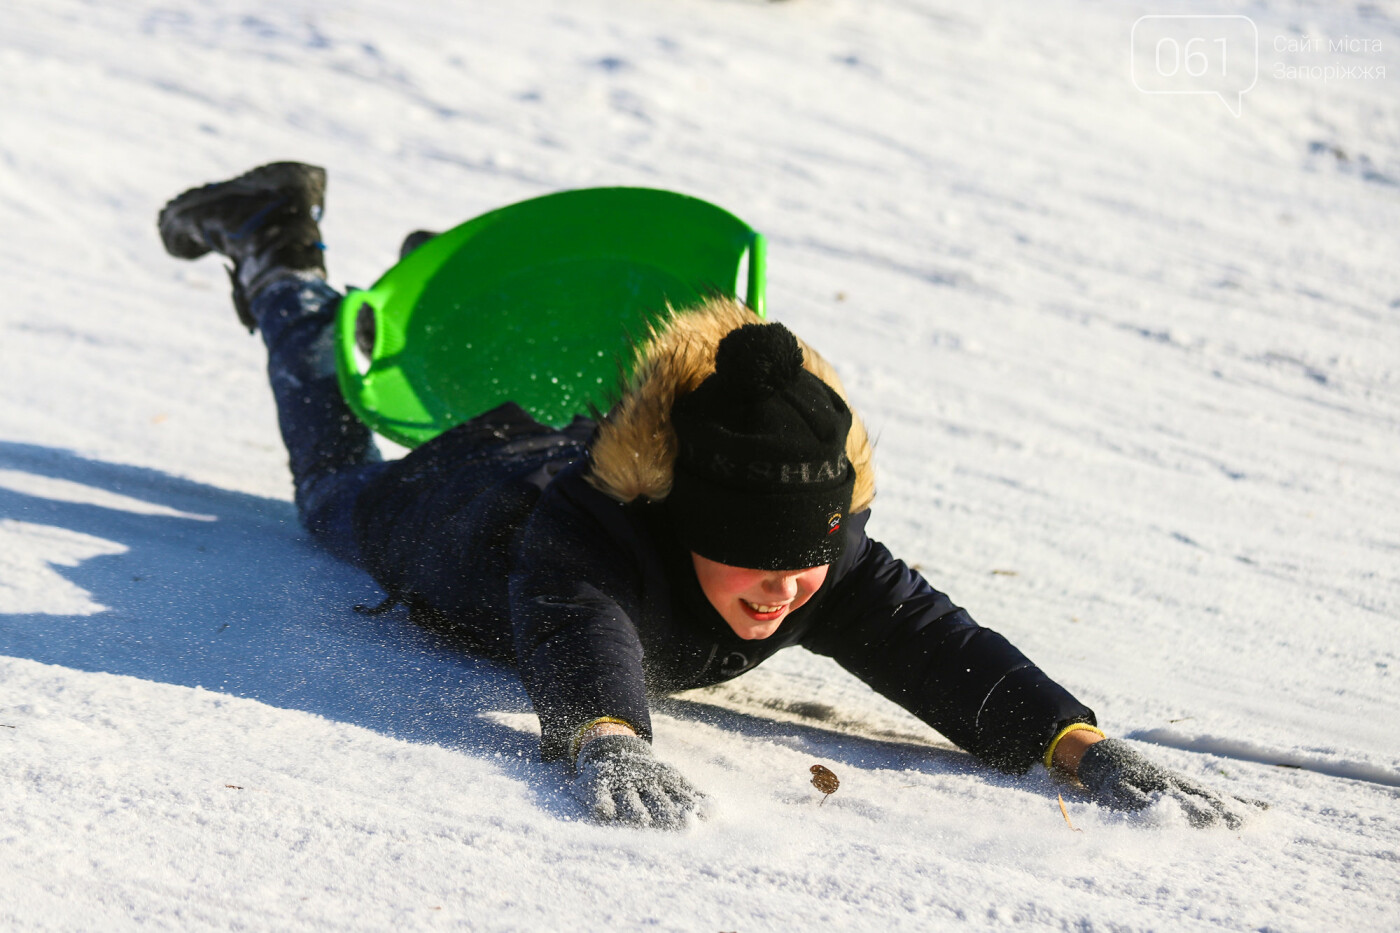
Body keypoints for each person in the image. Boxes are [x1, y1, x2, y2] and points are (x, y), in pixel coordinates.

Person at [157, 162, 1266, 829]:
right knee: (335, 491)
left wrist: (1075, 744)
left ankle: (423, 275)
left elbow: (935, 646)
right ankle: (280, 251)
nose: (788, 593)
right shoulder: (588, 544)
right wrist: (605, 738)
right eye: (758, 562)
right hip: (465, 498)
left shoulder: (814, 558)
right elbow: (571, 630)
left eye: (808, 565)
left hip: (566, 448)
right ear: (685, 521)